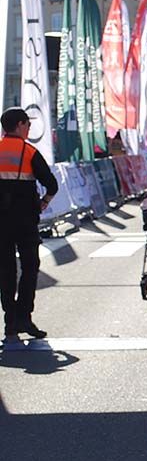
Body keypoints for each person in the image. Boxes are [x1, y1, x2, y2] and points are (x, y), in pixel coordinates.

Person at [0, 107, 58, 340]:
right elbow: (51, 184)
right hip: (25, 221)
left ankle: (10, 321)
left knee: (5, 271)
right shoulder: (29, 151)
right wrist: (44, 202)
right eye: (28, 125)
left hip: (1, 222)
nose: (29, 128)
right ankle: (24, 317)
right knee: (30, 267)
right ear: (20, 125)